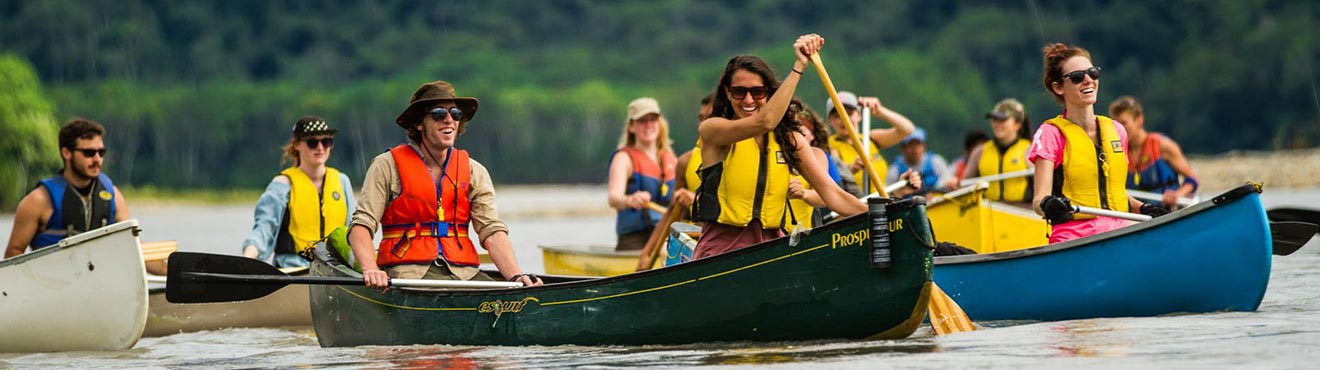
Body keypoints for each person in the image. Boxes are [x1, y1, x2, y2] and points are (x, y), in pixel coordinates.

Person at [348, 81, 542, 288]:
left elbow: (491, 231)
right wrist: (371, 270)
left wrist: (515, 276)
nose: (449, 120)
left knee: (509, 302)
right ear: (419, 123)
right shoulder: (386, 165)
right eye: (439, 114)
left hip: (463, 275)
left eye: (455, 114)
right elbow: (362, 225)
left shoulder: (474, 170)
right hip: (406, 273)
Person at [691, 34, 867, 259]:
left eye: (757, 92)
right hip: (721, 250)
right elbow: (764, 121)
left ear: (769, 94)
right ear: (727, 92)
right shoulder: (713, 129)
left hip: (772, 248)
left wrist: (885, 215)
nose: (748, 100)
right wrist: (799, 66)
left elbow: (833, 194)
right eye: (739, 92)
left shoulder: (789, 140)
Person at [1028, 43, 1169, 244]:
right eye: (1077, 77)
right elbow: (1038, 201)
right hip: (1075, 239)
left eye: (1092, 73)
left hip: (1121, 234)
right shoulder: (1051, 134)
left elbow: (1112, 194)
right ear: (1058, 87)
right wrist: (1048, 204)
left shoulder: (1117, 130)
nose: (1088, 80)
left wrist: (1143, 208)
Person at [241, 116, 356, 268]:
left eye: (326, 141)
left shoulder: (342, 182)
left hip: (335, 271)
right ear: (297, 145)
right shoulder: (282, 185)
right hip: (294, 269)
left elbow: (353, 231)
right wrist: (247, 259)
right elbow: (264, 229)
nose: (320, 148)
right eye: (312, 142)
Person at [6, 118, 130, 258]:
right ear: (66, 153)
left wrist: (161, 269)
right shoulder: (38, 201)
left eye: (101, 153)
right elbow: (13, 254)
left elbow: (133, 246)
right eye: (89, 153)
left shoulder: (114, 196)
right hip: (53, 277)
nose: (97, 159)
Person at [606, 97, 677, 250]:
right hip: (636, 239)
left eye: (653, 120)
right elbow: (613, 198)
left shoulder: (670, 159)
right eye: (642, 121)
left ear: (659, 124)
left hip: (666, 237)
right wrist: (630, 200)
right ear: (631, 126)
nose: (648, 125)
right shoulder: (623, 158)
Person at [1109, 96, 1200, 209]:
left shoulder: (1163, 145)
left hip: (1167, 211)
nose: (1120, 130)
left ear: (1139, 120)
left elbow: (1192, 180)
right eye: (1116, 125)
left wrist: (1177, 195)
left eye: (1124, 123)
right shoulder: (1117, 153)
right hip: (1139, 216)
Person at [826, 92, 916, 196]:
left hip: (883, 202)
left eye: (849, 114)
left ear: (859, 116)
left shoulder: (870, 138)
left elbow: (907, 129)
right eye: (837, 116)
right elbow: (835, 176)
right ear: (830, 121)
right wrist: (851, 168)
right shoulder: (829, 146)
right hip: (856, 206)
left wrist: (880, 111)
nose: (844, 119)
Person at [963, 98, 1035, 203]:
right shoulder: (979, 152)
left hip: (1021, 211)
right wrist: (954, 184)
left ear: (1017, 124)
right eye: (994, 120)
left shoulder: (1029, 150)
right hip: (988, 211)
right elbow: (964, 186)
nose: (997, 124)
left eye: (1003, 120)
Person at [672, 92, 716, 216]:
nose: (703, 125)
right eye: (701, 119)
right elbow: (673, 211)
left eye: (710, 118)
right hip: (696, 232)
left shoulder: (745, 157)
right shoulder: (685, 161)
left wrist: (697, 200)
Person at [887, 128, 955, 193]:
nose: (915, 150)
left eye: (918, 145)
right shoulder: (894, 170)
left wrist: (934, 191)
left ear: (924, 146)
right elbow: (888, 192)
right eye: (911, 145)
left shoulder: (936, 161)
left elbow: (947, 178)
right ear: (903, 148)